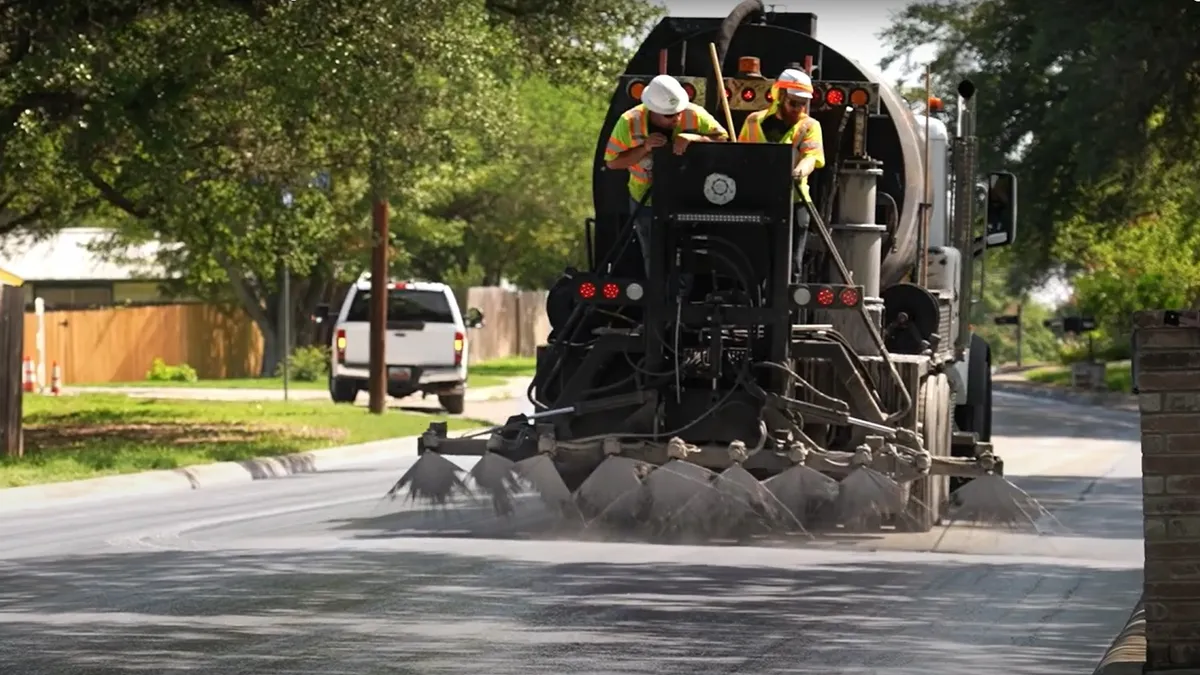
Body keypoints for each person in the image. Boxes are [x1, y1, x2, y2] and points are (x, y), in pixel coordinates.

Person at [604, 74, 729, 273]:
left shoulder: (694, 114)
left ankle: (683, 297)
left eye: (679, 112)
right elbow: (612, 162)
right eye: (670, 115)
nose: (677, 118)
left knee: (688, 254)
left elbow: (726, 141)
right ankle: (658, 298)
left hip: (688, 198)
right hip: (645, 200)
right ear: (652, 111)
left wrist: (695, 138)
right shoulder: (629, 122)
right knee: (654, 256)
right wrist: (644, 147)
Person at [737, 68, 826, 277]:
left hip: (794, 202)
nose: (798, 108)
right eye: (793, 103)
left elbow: (812, 156)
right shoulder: (753, 121)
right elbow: (740, 156)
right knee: (756, 262)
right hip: (759, 201)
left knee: (791, 264)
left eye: (803, 104)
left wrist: (798, 172)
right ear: (780, 95)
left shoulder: (810, 126)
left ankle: (787, 307)